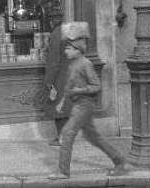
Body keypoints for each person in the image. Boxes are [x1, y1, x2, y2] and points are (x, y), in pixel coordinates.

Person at [49, 30, 126, 179]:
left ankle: (63, 171)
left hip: (85, 105)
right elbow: (69, 87)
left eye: (69, 48)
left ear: (78, 51)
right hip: (78, 105)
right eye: (66, 48)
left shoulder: (86, 63)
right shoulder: (73, 65)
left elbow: (97, 86)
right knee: (93, 137)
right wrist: (62, 102)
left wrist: (81, 90)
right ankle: (119, 160)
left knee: (67, 133)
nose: (66, 51)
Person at [43, 14, 68, 146]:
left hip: (59, 76)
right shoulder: (67, 31)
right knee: (65, 106)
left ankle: (61, 138)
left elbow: (54, 61)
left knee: (57, 107)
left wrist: (49, 81)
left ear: (52, 21)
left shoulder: (55, 34)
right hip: (69, 74)